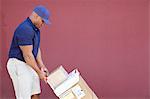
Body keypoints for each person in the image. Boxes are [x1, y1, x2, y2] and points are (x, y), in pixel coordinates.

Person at [7, 5, 51, 99]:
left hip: (29, 64)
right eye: (43, 21)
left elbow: (36, 48)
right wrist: (39, 73)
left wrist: (42, 66)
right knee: (24, 96)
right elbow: (28, 56)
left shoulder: (36, 29)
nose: (43, 24)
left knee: (35, 92)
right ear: (36, 16)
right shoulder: (25, 29)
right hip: (19, 64)